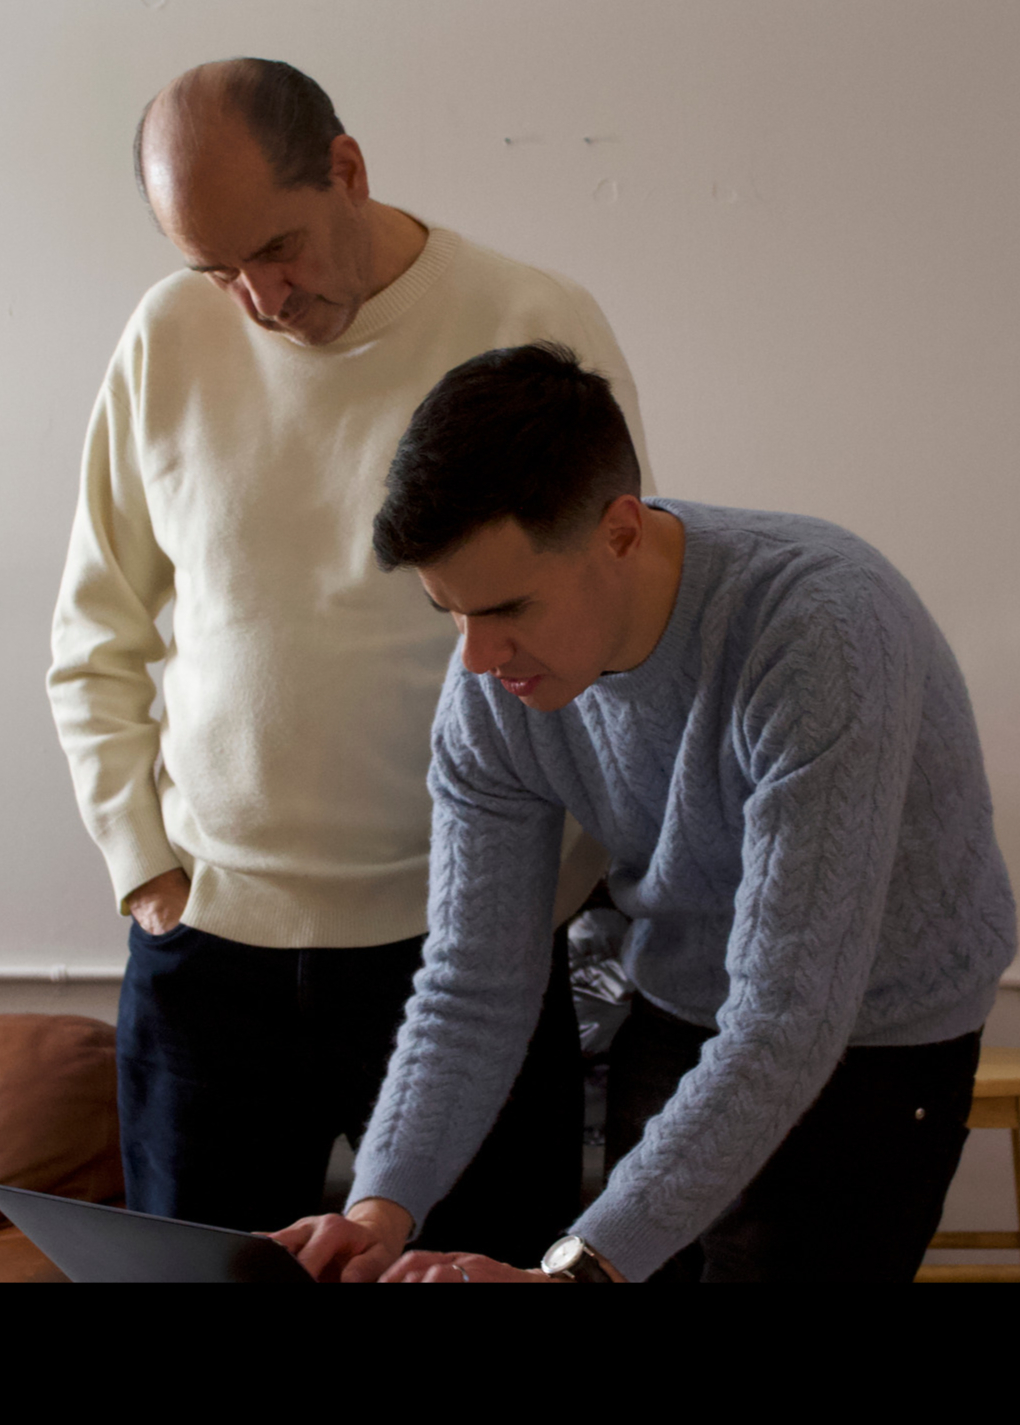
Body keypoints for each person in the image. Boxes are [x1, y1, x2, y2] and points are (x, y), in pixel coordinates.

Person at [46, 60, 651, 1260]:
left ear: (347, 169)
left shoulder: (529, 322)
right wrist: (143, 868)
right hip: (207, 950)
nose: (260, 299)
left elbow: (609, 629)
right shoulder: (166, 336)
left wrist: (546, 894)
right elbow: (94, 629)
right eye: (217, 270)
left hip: (466, 948)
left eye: (278, 248)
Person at [270, 342, 1016, 1283]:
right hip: (680, 1002)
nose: (478, 658)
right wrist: (379, 1207)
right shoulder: (492, 689)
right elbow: (473, 980)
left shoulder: (820, 633)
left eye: (508, 608)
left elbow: (786, 1018)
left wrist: (571, 1274)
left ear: (620, 531)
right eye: (449, 613)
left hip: (875, 1033)